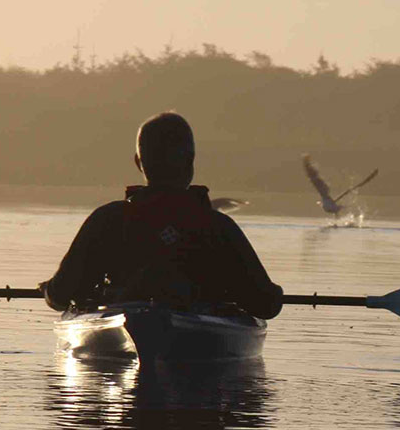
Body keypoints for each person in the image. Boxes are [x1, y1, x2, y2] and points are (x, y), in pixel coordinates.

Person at [41, 112, 283, 319]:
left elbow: (61, 295)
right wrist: (277, 293)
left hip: (122, 319)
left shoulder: (107, 219)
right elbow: (265, 305)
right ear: (190, 161)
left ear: (139, 163)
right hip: (198, 331)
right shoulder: (217, 225)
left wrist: (48, 290)